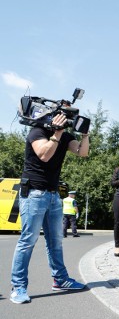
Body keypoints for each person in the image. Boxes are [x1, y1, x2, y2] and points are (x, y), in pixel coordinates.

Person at [10, 113, 89, 304]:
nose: (66, 120)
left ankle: (60, 280)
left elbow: (82, 152)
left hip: (53, 195)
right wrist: (57, 133)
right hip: (34, 193)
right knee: (28, 240)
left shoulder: (65, 136)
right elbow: (44, 155)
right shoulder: (36, 132)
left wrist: (85, 135)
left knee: (56, 241)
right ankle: (18, 287)